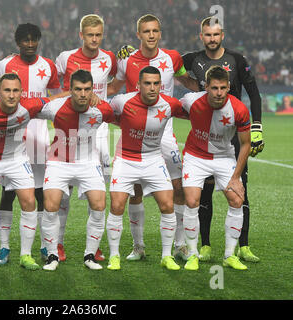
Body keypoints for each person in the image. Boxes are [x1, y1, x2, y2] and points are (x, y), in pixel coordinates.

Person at [107, 14, 198, 262]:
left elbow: (185, 80)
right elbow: (114, 88)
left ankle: (179, 245)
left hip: (164, 131)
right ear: (138, 34)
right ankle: (139, 247)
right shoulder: (126, 60)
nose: (151, 35)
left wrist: (210, 90)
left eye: (155, 31)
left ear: (160, 33)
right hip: (135, 131)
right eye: (146, 31)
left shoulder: (172, 58)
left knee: (178, 187)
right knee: (135, 190)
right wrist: (93, 94)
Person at [182, 17, 263, 262]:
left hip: (234, 134)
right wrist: (131, 56)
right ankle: (204, 245)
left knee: (239, 190)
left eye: (216, 34)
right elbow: (166, 64)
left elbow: (255, 94)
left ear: (222, 35)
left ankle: (243, 246)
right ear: (201, 36)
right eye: (208, 35)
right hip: (205, 133)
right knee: (203, 195)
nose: (212, 39)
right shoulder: (192, 59)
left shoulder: (238, 60)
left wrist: (257, 127)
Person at [0, 73, 63, 271]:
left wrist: (77, 95)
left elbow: (54, 99)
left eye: (15, 90)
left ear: (21, 93)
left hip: (17, 159)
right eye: (7, 90)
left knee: (29, 201)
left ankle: (25, 255)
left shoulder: (30, 106)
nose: (11, 95)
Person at [0, 23, 61, 265]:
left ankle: (41, 246)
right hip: (11, 135)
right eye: (25, 40)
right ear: (18, 42)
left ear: (38, 40)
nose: (29, 43)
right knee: (8, 193)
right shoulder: (5, 65)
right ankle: (5, 248)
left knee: (39, 192)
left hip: (39, 135)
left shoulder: (48, 65)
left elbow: (59, 97)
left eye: (33, 39)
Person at [107, 66, 189, 271]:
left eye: (156, 84)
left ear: (161, 85)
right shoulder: (122, 101)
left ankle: (166, 255)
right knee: (117, 205)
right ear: (138, 85)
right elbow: (106, 113)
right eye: (147, 83)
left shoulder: (170, 104)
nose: (152, 88)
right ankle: (117, 254)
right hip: (126, 159)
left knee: (167, 205)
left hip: (153, 160)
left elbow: (196, 115)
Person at [38, 69, 116, 271]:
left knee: (99, 206)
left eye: (87, 90)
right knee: (51, 205)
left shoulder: (102, 109)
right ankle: (52, 254)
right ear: (70, 90)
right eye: (78, 89)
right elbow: (27, 108)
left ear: (93, 91)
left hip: (88, 161)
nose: (83, 94)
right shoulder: (54, 108)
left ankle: (90, 255)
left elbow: (122, 117)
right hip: (58, 161)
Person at [54, 14, 117, 262]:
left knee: (97, 190)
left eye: (98, 35)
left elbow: (115, 83)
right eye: (90, 35)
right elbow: (53, 86)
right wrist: (65, 102)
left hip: (98, 129)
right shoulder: (65, 58)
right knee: (63, 188)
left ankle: (94, 246)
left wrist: (100, 99)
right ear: (81, 35)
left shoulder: (109, 59)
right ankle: (57, 245)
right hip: (68, 128)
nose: (94, 39)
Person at [179, 65, 251, 271]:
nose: (219, 93)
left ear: (228, 87)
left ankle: (229, 255)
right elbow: (173, 110)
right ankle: (193, 254)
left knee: (237, 199)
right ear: (206, 87)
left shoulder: (239, 109)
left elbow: (245, 144)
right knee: (192, 201)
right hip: (195, 156)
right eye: (214, 88)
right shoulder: (191, 100)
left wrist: (236, 178)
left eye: (222, 88)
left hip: (223, 156)